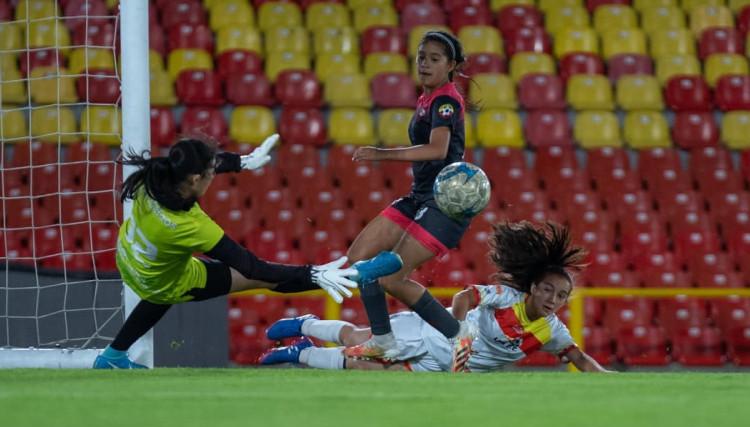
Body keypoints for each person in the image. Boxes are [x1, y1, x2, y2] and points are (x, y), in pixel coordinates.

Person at [94, 136, 400, 369]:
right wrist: (313, 273)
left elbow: (203, 164)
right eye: (211, 174)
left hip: (130, 259)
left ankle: (112, 355)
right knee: (257, 279)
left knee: (162, 287)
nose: (214, 176)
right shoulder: (191, 226)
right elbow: (252, 267)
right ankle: (353, 274)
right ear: (195, 180)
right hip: (162, 280)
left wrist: (242, 162)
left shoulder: (156, 179)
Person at [259, 221, 613, 373]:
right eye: (548, 289)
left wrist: (608, 379)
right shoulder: (507, 297)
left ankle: (300, 352)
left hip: (441, 367)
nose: (553, 298)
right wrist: (462, 336)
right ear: (534, 287)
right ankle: (305, 324)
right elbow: (464, 297)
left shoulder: (552, 332)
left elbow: (579, 359)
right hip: (431, 332)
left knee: (367, 368)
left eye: (561, 295)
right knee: (359, 338)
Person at [343, 30, 475, 367]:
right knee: (359, 258)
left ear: (451, 66)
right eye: (421, 57)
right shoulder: (426, 98)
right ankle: (383, 340)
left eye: (434, 59)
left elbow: (437, 149)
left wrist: (380, 154)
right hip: (419, 197)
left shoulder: (445, 101)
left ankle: (457, 333)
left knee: (389, 277)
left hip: (444, 204)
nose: (425, 64)